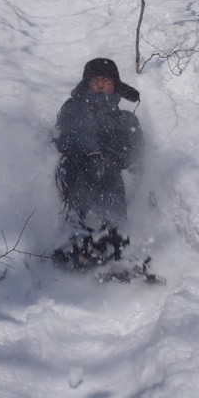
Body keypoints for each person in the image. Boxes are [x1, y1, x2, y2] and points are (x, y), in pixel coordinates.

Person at [52, 58, 143, 267]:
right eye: (96, 81)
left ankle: (114, 233)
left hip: (110, 173)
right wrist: (91, 152)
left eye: (106, 81)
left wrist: (119, 160)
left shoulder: (127, 120)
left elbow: (137, 153)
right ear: (87, 85)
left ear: (115, 86)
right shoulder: (74, 107)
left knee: (113, 175)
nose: (101, 85)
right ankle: (73, 228)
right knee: (74, 164)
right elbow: (68, 131)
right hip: (77, 166)